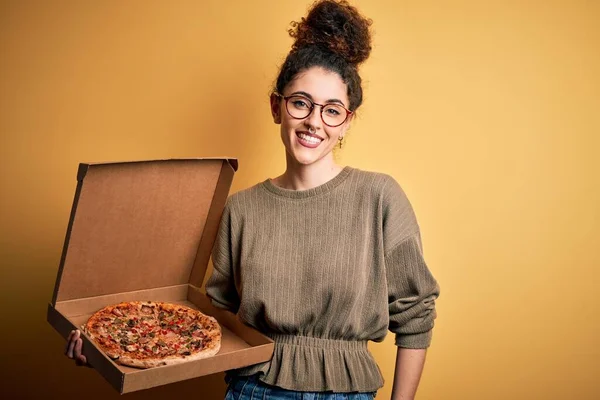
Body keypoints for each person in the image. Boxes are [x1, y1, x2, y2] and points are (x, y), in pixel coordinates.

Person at [66, 1, 439, 399]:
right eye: (301, 103)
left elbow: (416, 315)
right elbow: (212, 317)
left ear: (346, 121)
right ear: (277, 107)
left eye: (332, 110)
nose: (314, 121)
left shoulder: (379, 196)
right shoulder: (240, 209)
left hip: (348, 392)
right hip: (253, 389)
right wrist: (111, 346)